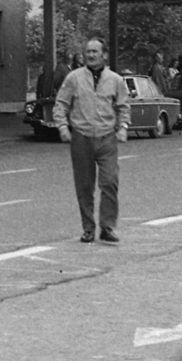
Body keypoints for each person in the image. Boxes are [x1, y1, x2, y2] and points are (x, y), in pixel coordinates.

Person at [54, 36, 132, 244]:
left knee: (109, 182)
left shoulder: (115, 80)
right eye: (88, 51)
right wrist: (62, 126)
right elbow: (61, 103)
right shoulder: (74, 78)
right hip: (81, 137)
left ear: (104, 55)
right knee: (84, 185)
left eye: (94, 52)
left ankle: (107, 227)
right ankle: (88, 228)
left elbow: (123, 106)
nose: (90, 55)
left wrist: (123, 127)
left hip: (107, 138)